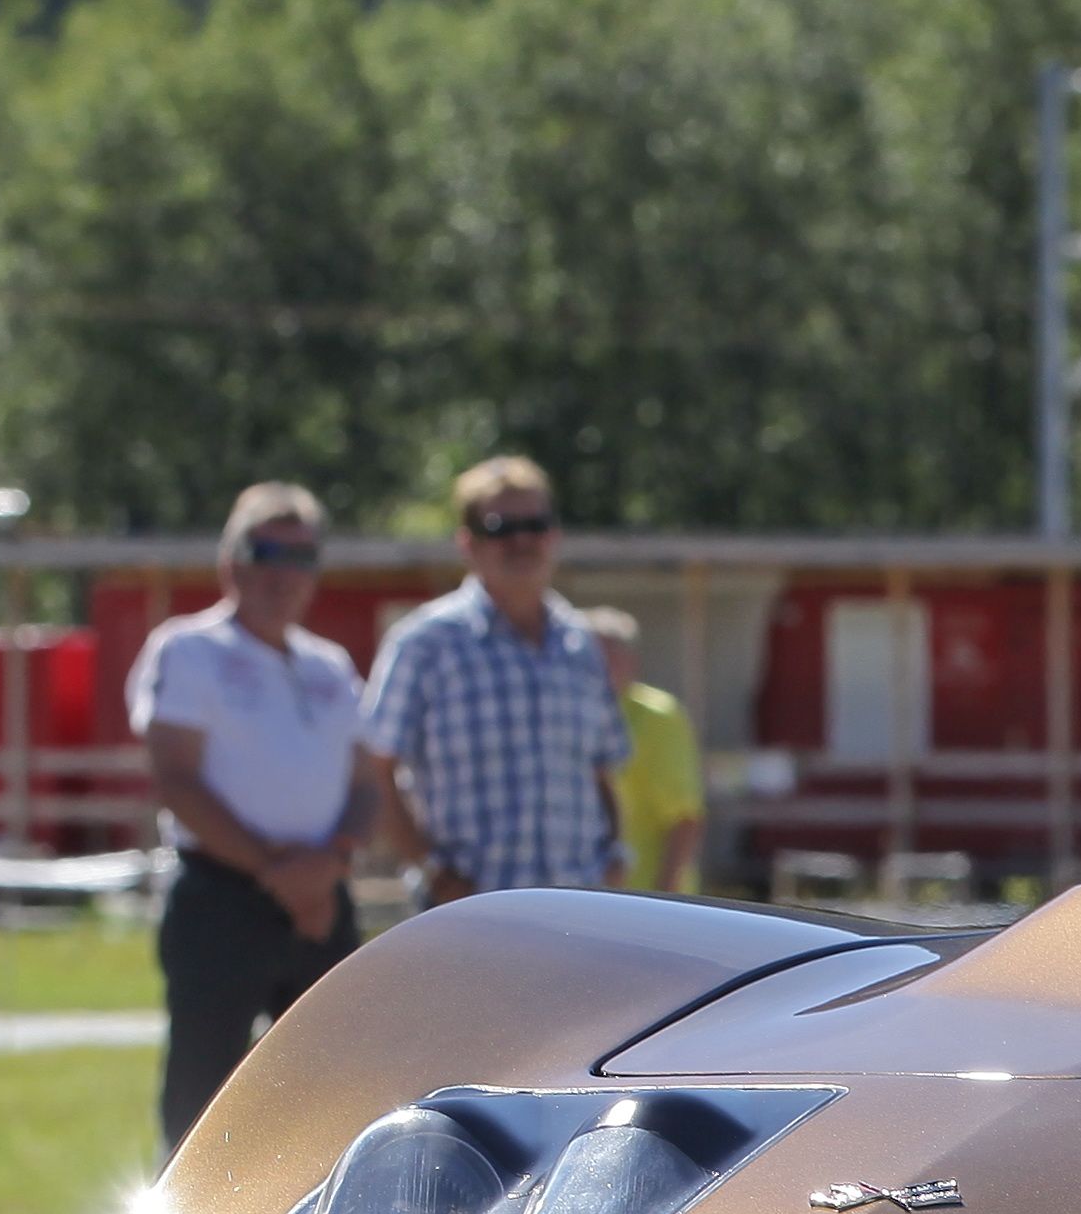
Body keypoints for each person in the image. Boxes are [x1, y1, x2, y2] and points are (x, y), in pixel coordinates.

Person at [137, 481, 394, 1151]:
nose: (285, 571)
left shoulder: (329, 666)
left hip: (321, 894)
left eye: (302, 556)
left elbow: (367, 782)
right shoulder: (188, 649)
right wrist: (280, 874)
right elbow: (177, 776)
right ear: (231, 563)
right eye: (268, 550)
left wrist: (330, 864)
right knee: (203, 1106)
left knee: (335, 1102)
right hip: (222, 897)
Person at [362, 455, 627, 899]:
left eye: (535, 524)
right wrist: (431, 870)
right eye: (501, 527)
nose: (522, 540)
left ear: (555, 535)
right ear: (468, 543)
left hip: (579, 916)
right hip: (470, 921)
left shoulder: (580, 644)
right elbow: (373, 768)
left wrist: (615, 858)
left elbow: (603, 769)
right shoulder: (426, 643)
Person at [587, 604, 706, 892]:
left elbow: (684, 818)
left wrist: (664, 897)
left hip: (648, 899)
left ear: (629, 660)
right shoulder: (578, 711)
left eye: (608, 654)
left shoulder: (658, 716)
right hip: (594, 896)